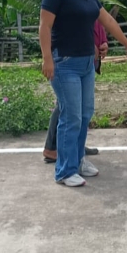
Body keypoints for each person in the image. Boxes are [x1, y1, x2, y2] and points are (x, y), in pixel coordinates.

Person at [39, 0, 127, 187]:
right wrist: (47, 58)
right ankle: (65, 171)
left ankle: (78, 161)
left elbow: (108, 20)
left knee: (85, 115)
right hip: (65, 64)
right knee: (71, 116)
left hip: (87, 64)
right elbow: (44, 26)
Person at [42, 19, 108, 164]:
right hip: (71, 60)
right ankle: (52, 148)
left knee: (81, 109)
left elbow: (99, 24)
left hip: (87, 61)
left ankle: (76, 147)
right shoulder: (65, 4)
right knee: (66, 106)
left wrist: (103, 43)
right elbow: (60, 27)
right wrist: (89, 44)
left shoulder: (92, 5)